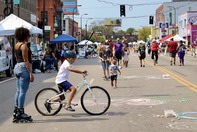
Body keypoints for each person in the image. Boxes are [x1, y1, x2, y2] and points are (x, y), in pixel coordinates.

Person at [13, 27, 34, 123]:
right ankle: (21, 112)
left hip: (17, 67)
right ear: (24, 35)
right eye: (28, 35)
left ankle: (16, 110)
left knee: (18, 91)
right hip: (23, 68)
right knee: (23, 92)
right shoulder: (24, 46)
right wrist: (30, 73)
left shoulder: (16, 45)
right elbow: (26, 60)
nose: (29, 37)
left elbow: (16, 57)